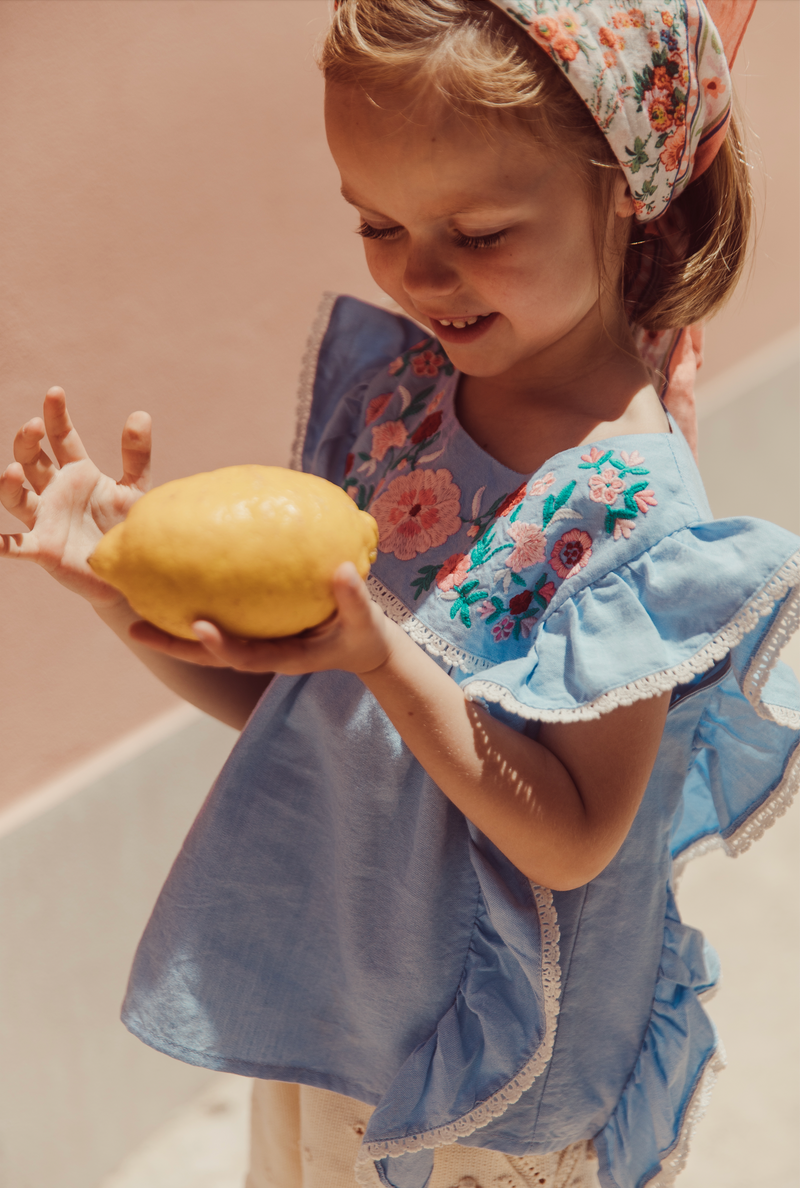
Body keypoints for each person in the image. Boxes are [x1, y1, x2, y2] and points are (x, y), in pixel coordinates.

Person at [1, 2, 798, 1187]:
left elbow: (574, 839)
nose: (418, 273)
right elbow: (300, 711)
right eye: (375, 221)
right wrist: (120, 590)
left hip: (492, 1074)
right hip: (347, 1015)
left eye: (476, 232)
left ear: (622, 188)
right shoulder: (402, 403)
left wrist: (386, 658)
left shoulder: (625, 502)